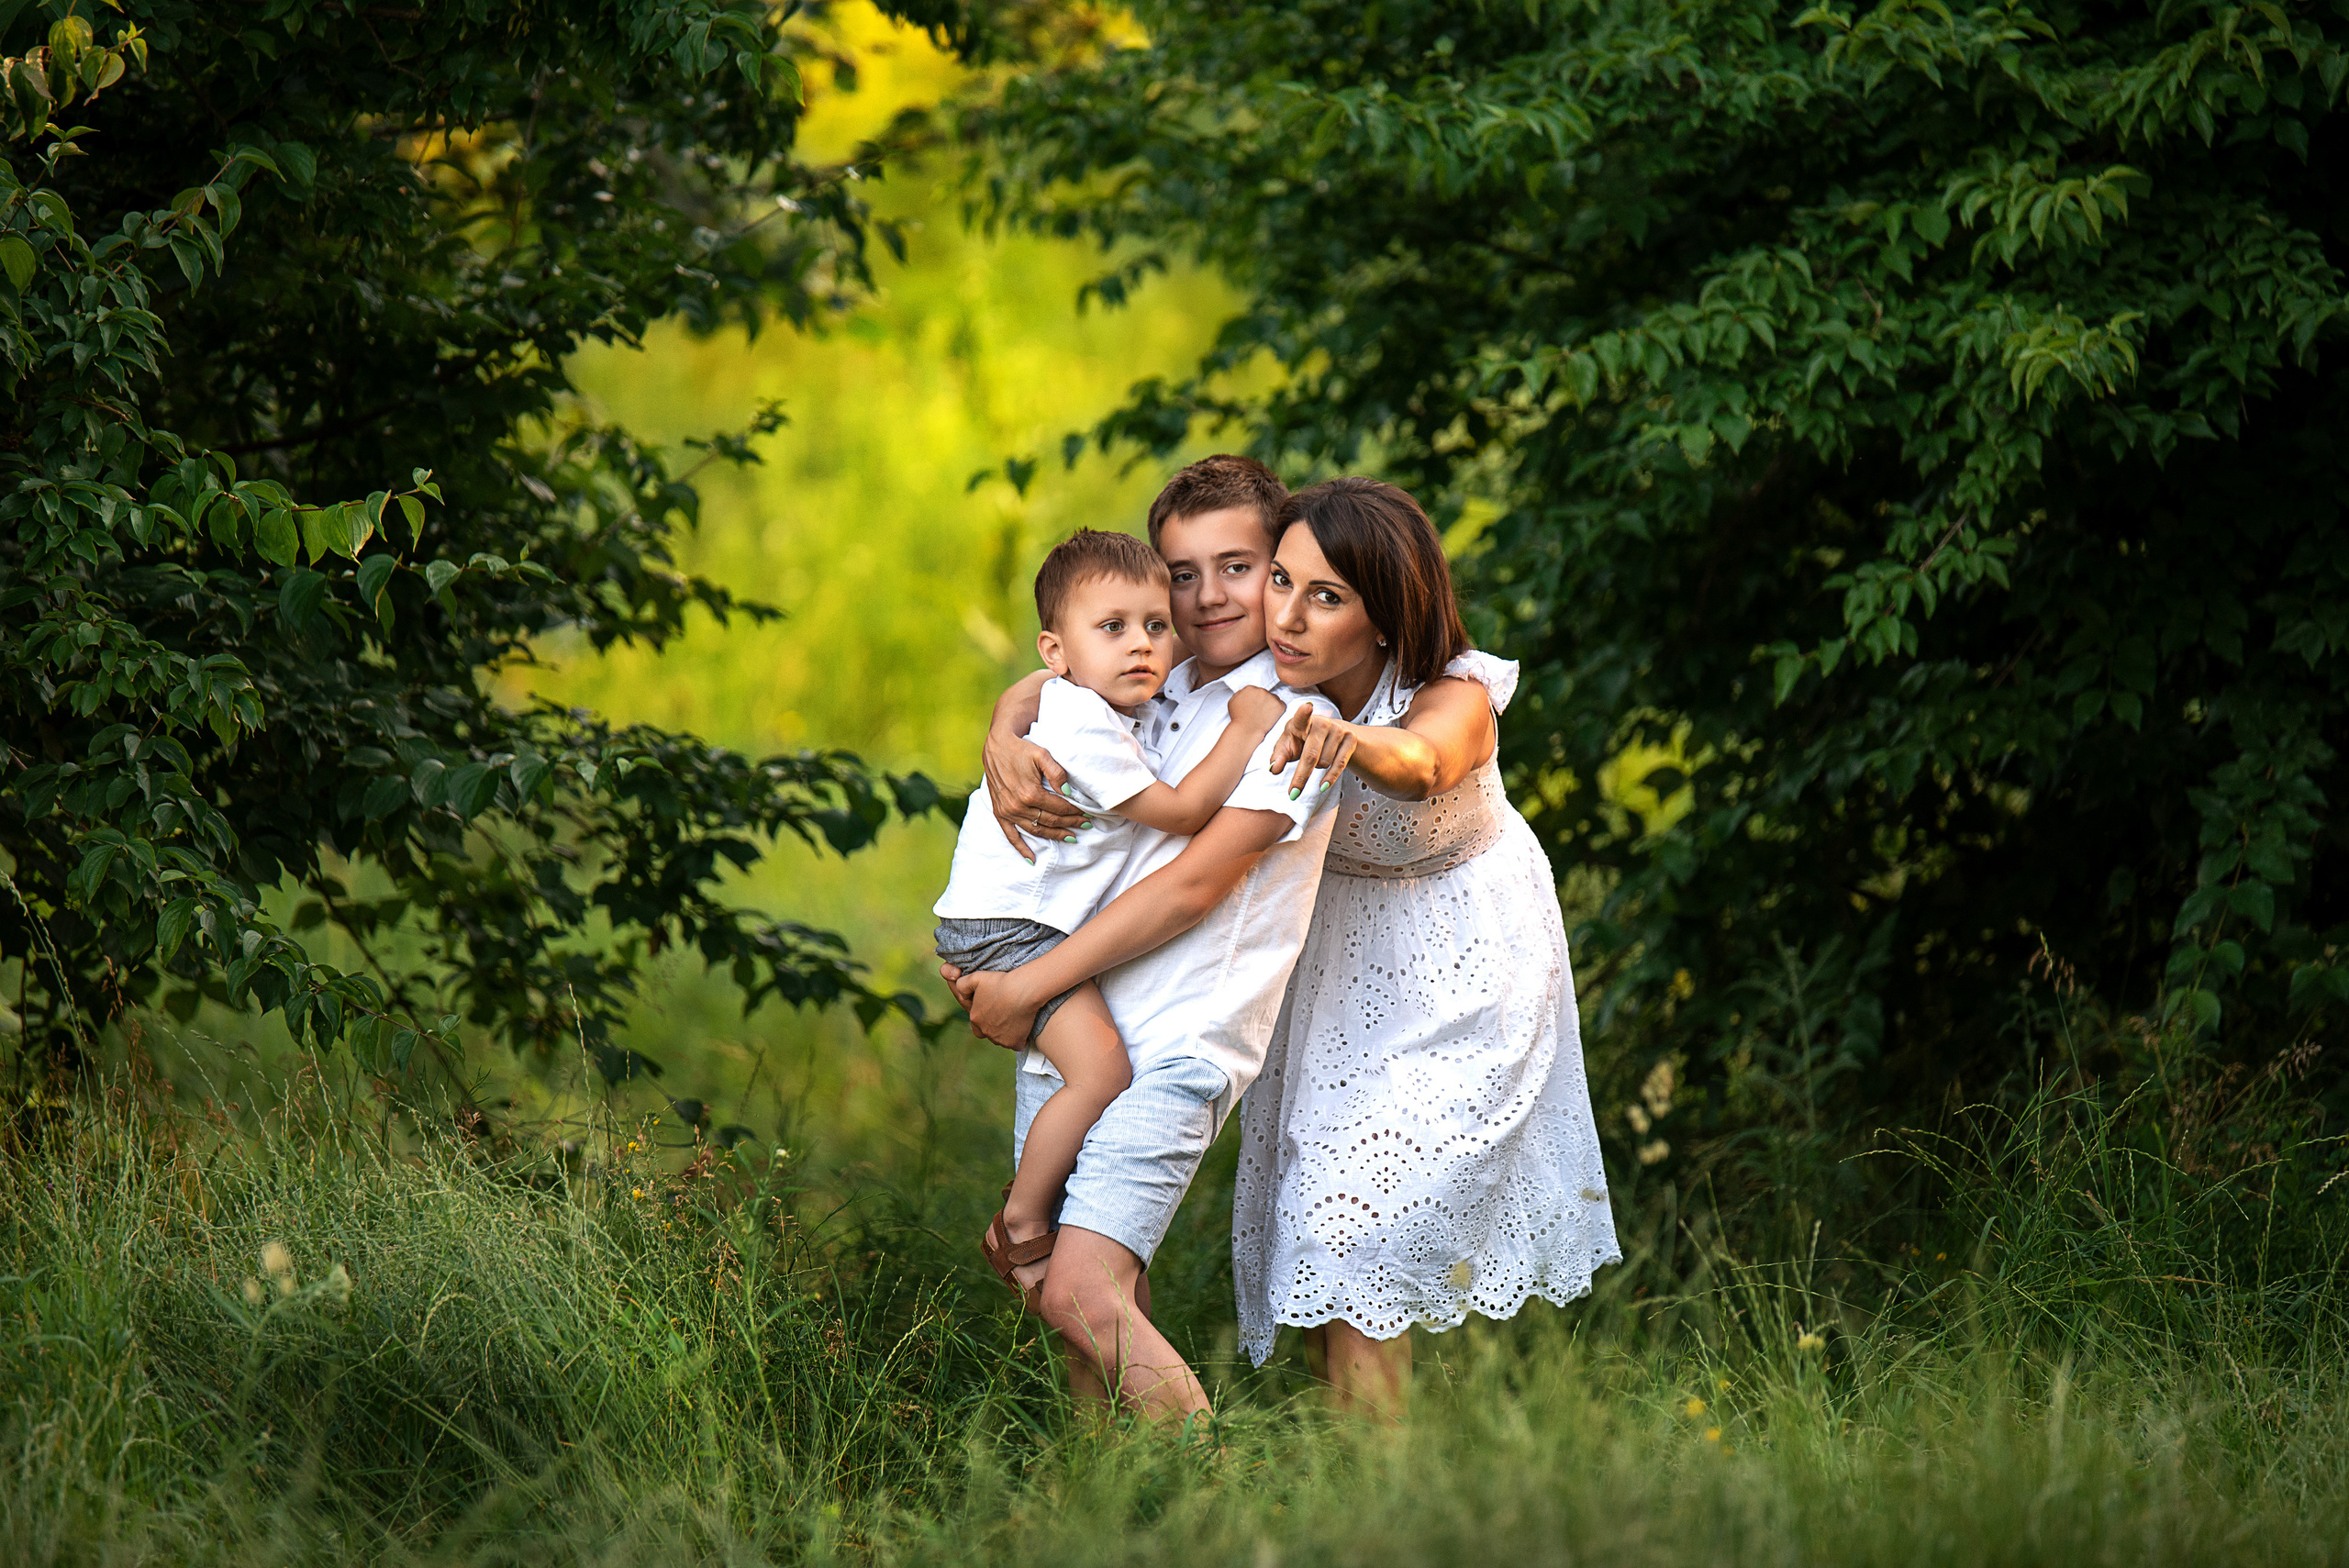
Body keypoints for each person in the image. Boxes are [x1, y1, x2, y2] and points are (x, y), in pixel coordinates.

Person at [946, 454, 1365, 1422]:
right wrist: (1003, 729)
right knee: (1087, 1315)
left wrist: (1024, 984)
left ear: (1281, 572)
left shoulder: (1299, 719)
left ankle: (1221, 1495)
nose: (1207, 595)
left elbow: (1191, 885)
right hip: (1086, 1020)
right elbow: (1049, 676)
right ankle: (1113, 1514)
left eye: (1237, 566)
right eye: (1181, 572)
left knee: (1078, 1289)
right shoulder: (1155, 674)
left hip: (1173, 1043)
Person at [1235, 476, 1622, 1418]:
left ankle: (1379, 1499)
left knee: (1354, 1222)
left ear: (1384, 617)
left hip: (1469, 966)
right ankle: (1365, 1492)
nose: (1285, 615)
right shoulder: (1258, 675)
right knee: (1325, 1220)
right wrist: (1015, 715)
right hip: (1337, 970)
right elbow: (1105, 637)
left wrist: (1345, 739)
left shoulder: (1456, 689)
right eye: (1279, 580)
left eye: (1325, 597)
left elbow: (1424, 762)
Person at [931, 528, 1284, 1303]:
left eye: (1156, 626)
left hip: (1011, 923)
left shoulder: (1104, 698)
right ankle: (1022, 1220)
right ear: (1057, 651)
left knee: (1094, 1078)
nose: (1143, 646)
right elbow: (1185, 810)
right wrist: (1247, 729)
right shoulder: (1086, 723)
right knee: (1101, 1074)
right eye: (1115, 629)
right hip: (1013, 933)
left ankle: (1042, 1227)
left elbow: (1049, 673)